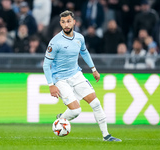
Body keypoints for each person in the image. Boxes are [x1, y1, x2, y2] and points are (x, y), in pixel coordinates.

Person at [43, 10, 121, 142]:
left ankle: (106, 136)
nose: (66, 24)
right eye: (63, 22)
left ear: (74, 22)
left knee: (96, 103)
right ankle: (62, 118)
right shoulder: (55, 41)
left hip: (76, 75)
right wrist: (51, 85)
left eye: (68, 21)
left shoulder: (79, 38)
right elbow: (46, 65)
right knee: (76, 111)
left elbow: (84, 53)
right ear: (60, 23)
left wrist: (94, 69)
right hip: (60, 79)